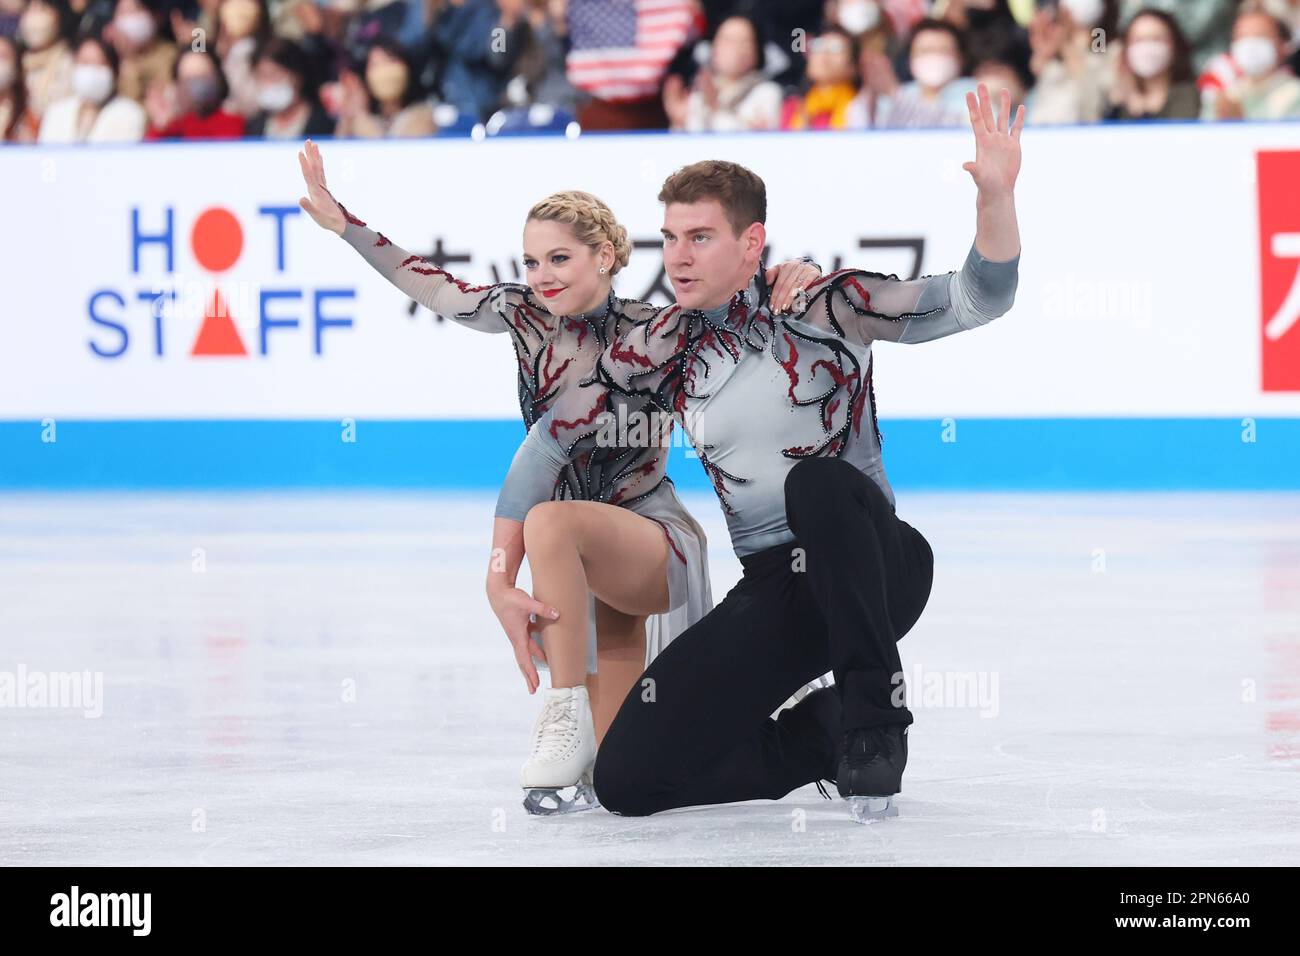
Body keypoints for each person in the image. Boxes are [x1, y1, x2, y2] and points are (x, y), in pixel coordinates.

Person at [493, 83, 1023, 822]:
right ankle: (825, 737)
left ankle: (876, 725)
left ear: (751, 243)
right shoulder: (660, 347)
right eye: (669, 238)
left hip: (878, 560)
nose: (677, 257)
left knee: (817, 485)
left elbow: (978, 299)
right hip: (778, 586)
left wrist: (994, 200)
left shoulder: (829, 303)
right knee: (629, 782)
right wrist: (499, 573)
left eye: (700, 237)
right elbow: (550, 438)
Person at [294, 139, 820, 814]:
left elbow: (739, 306)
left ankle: (560, 713)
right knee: (628, 765)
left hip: (652, 542)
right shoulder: (520, 315)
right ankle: (798, 741)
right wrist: (348, 228)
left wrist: (791, 272)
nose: (542, 274)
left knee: (550, 519)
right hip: (578, 559)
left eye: (560, 258)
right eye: (532, 261)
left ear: (605, 256)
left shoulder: (658, 328)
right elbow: (428, 283)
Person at [39, 32, 146, 142]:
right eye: (85, 62)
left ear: (114, 71)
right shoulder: (57, 113)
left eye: (99, 63)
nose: (91, 70)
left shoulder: (129, 114)